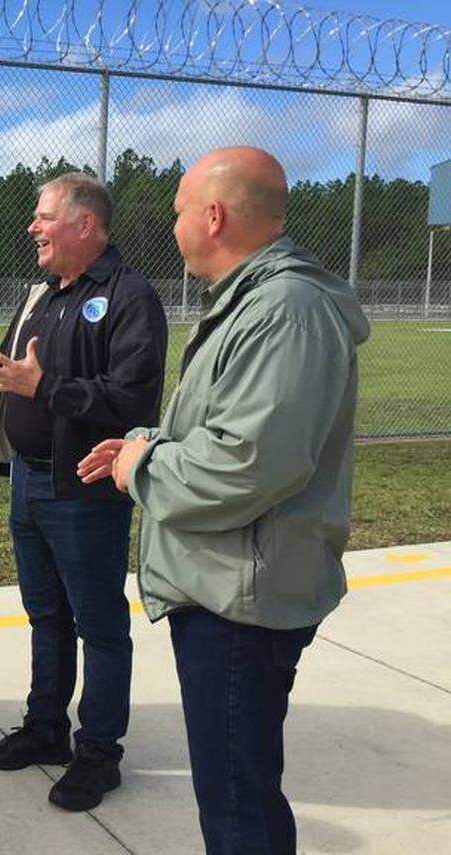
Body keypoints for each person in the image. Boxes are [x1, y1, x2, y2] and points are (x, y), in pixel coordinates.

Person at [77, 146, 370, 853]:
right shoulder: (255, 302)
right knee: (245, 790)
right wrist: (147, 441)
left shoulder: (285, 311)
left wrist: (143, 470)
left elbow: (248, 464)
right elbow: (221, 428)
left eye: (178, 211)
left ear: (213, 216)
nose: (173, 227)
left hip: (241, 600)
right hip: (230, 585)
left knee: (236, 808)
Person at [0, 172, 167, 811]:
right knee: (46, 615)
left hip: (84, 485)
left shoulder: (127, 296)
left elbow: (133, 398)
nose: (32, 227)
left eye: (43, 216)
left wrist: (46, 388)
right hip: (28, 481)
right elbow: (12, 381)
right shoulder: (43, 294)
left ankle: (99, 753)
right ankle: (47, 728)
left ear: (85, 224)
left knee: (98, 623)